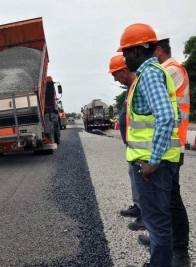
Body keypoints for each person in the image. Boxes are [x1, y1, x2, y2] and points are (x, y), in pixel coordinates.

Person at [118, 23, 181, 267]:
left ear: (136, 51)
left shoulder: (150, 75)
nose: (123, 59)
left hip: (153, 165)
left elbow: (165, 116)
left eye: (125, 53)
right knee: (157, 221)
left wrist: (153, 162)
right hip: (154, 161)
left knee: (157, 222)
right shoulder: (149, 74)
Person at [137, 30, 191, 267]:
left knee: (171, 200)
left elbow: (166, 114)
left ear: (157, 50)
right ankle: (164, 243)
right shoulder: (163, 71)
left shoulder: (169, 70)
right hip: (166, 143)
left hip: (170, 145)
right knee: (165, 200)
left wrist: (155, 157)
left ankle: (180, 252)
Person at [108, 54, 145, 231]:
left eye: (115, 75)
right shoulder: (131, 88)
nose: (115, 79)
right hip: (134, 146)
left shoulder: (139, 85)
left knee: (144, 183)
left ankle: (147, 217)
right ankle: (140, 208)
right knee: (135, 178)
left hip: (143, 148)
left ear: (123, 70)